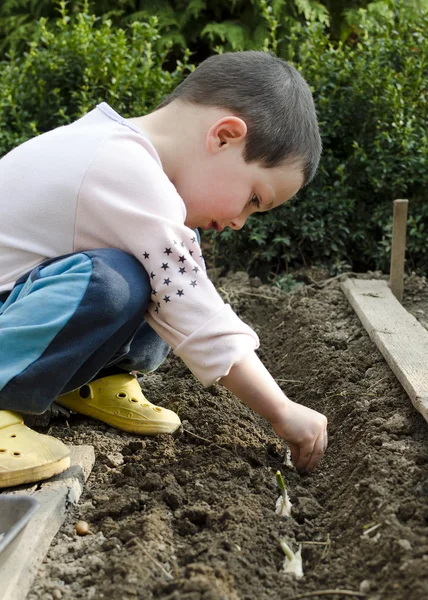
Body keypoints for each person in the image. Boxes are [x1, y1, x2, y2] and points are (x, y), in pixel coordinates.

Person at [0, 50, 327, 489]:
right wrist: (281, 410)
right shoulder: (119, 167)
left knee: (166, 261)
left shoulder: (123, 161)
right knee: (122, 280)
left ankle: (90, 383)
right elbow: (190, 302)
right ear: (225, 136)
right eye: (254, 199)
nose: (238, 222)